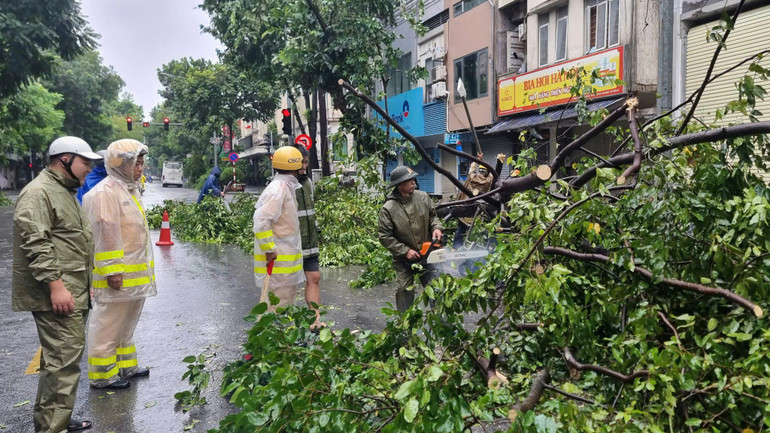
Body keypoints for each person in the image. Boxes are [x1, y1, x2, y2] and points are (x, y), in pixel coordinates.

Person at [12, 136, 103, 433]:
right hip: (58, 293)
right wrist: (57, 287)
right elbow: (36, 245)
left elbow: (73, 243)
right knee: (63, 363)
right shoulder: (39, 193)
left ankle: (55, 419)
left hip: (73, 288)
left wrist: (85, 284)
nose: (89, 168)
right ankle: (52, 426)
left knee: (64, 360)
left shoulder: (64, 191)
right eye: (85, 162)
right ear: (64, 159)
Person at [82, 139, 155, 390]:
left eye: (142, 163)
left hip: (133, 275)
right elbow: (106, 234)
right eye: (137, 163)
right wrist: (112, 269)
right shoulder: (105, 193)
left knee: (126, 323)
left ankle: (126, 366)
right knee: (108, 324)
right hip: (116, 275)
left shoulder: (129, 189)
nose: (141, 168)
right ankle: (103, 376)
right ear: (122, 164)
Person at [378, 165, 443, 313]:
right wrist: (405, 251)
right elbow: (384, 236)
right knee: (403, 290)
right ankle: (404, 327)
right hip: (404, 260)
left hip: (428, 254)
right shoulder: (388, 208)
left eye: (413, 179)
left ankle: (443, 324)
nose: (413, 182)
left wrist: (437, 228)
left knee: (437, 288)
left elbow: (433, 217)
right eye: (409, 180)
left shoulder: (423, 197)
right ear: (399, 185)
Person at [253, 146, 306, 312]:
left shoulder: (285, 187)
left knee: (286, 305)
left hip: (285, 263)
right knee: (277, 307)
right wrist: (269, 249)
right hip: (278, 263)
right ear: (294, 166)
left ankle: (286, 335)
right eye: (301, 163)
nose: (304, 167)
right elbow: (261, 221)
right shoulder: (278, 190)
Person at [293, 145, 325, 328]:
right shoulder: (284, 185)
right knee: (288, 285)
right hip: (291, 244)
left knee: (314, 278)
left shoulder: (308, 183)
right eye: (300, 162)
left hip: (310, 243)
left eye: (305, 162)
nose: (304, 166)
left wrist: (317, 232)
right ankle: (283, 325)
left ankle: (315, 319)